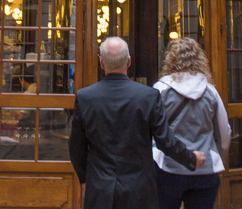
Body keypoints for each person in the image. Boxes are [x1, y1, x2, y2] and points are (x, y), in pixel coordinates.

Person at [68, 37, 206, 209]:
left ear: (101, 63)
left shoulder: (85, 97)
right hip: (139, 190)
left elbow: (76, 148)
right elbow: (165, 141)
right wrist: (190, 158)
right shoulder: (148, 96)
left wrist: (85, 179)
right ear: (129, 61)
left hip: (100, 188)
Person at [152, 37, 231, 209]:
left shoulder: (160, 89)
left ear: (170, 59)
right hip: (205, 169)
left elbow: (151, 129)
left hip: (168, 168)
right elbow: (224, 132)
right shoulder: (211, 91)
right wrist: (218, 155)